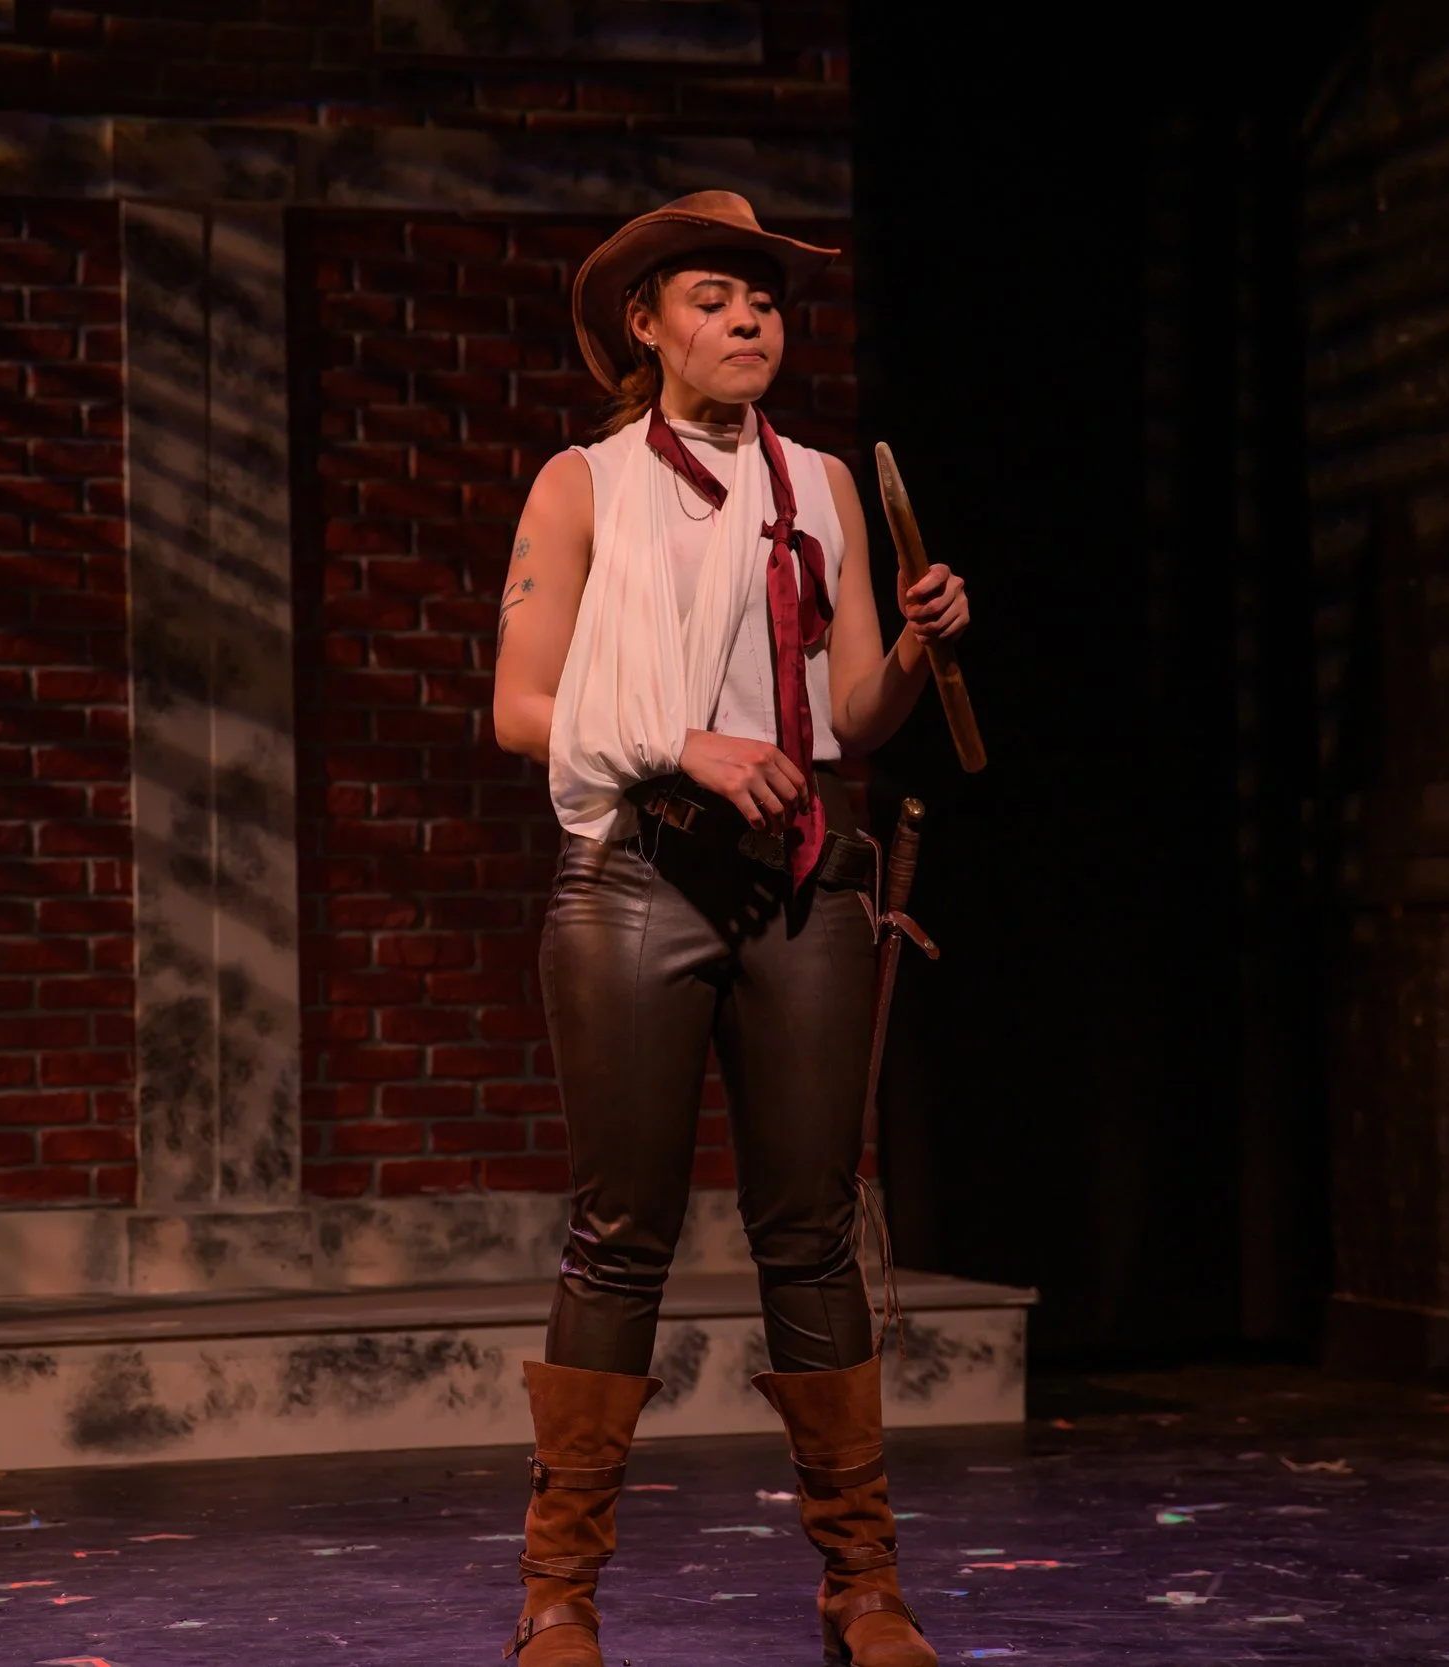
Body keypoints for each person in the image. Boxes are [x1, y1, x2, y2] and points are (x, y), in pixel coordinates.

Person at [487, 191, 970, 1667]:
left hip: (804, 878)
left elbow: (850, 713)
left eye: (764, 301)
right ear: (647, 326)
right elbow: (520, 708)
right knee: (620, 1233)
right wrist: (680, 741)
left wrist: (914, 644)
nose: (749, 320)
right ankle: (558, 1600)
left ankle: (864, 1588)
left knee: (813, 1234)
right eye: (714, 297)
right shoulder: (581, 484)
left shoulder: (820, 484)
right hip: (639, 873)